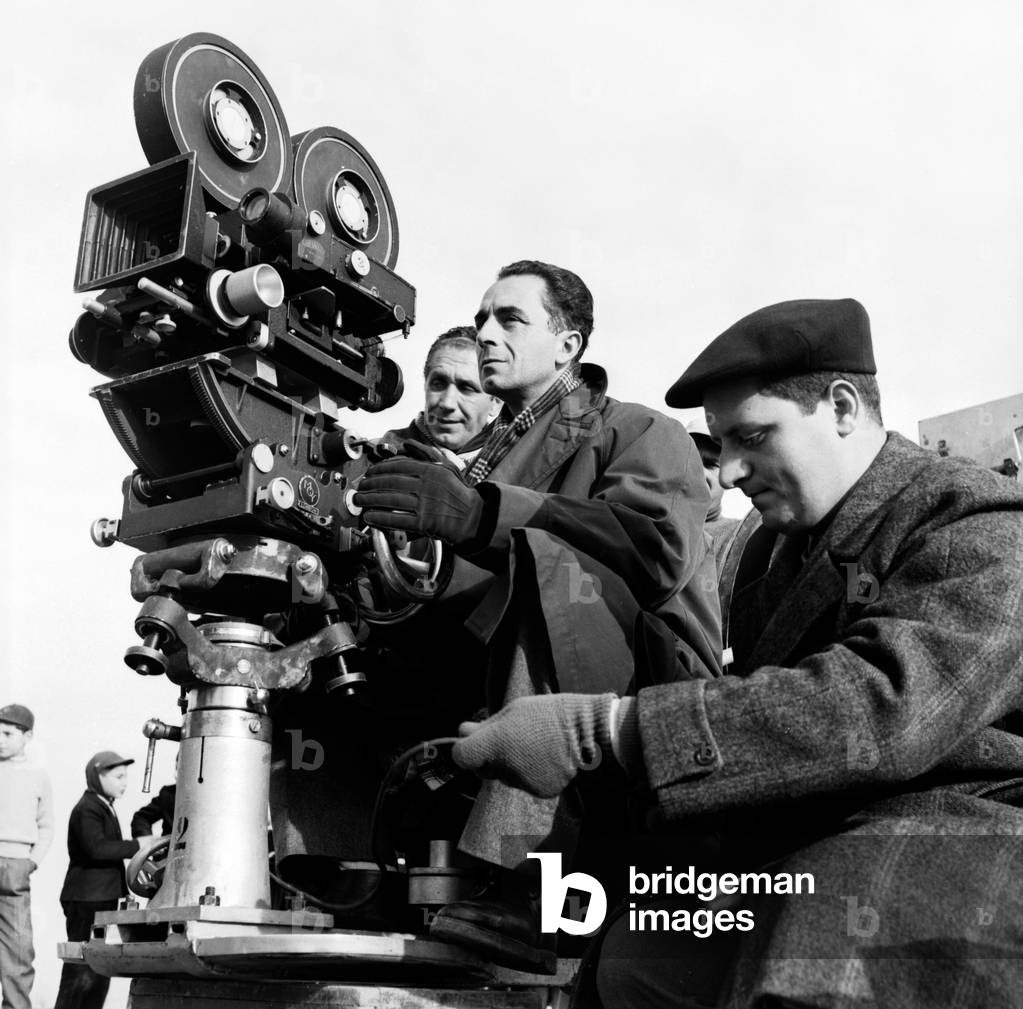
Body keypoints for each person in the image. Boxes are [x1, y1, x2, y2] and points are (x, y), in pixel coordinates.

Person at [451, 298, 1023, 1007]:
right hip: (821, 827)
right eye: (721, 443)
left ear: (841, 407)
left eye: (751, 437)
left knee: (820, 941)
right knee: (639, 948)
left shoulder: (975, 520)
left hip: (973, 829)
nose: (725, 473)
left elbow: (885, 711)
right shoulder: (765, 555)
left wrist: (607, 730)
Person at [351, 260, 722, 970]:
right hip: (535, 660)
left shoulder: (639, 428)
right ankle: (358, 865)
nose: (485, 333)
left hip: (650, 681)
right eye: (482, 317)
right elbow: (476, 588)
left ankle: (525, 878)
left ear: (567, 344)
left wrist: (485, 514)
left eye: (509, 319)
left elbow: (656, 554)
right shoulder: (492, 457)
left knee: (550, 563)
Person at [55, 752, 140, 1009]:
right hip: (87, 900)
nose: (124, 782)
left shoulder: (102, 805)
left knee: (98, 971)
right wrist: (138, 845)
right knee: (80, 972)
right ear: (98, 776)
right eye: (118, 776)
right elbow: (97, 849)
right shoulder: (89, 808)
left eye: (125, 777)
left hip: (99, 898)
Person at [0, 704, 52, 1009]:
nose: (0, 739)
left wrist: (32, 861)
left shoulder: (38, 776)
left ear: (27, 736)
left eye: (7, 733)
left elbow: (47, 825)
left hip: (16, 867)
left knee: (18, 949)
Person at [384, 325, 499, 464]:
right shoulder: (375, 457)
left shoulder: (518, 473)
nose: (447, 403)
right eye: (438, 384)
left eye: (466, 388)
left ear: (496, 401)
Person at [685, 414, 741, 570]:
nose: (699, 472)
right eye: (691, 460)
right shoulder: (649, 527)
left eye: (710, 464)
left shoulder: (741, 535)